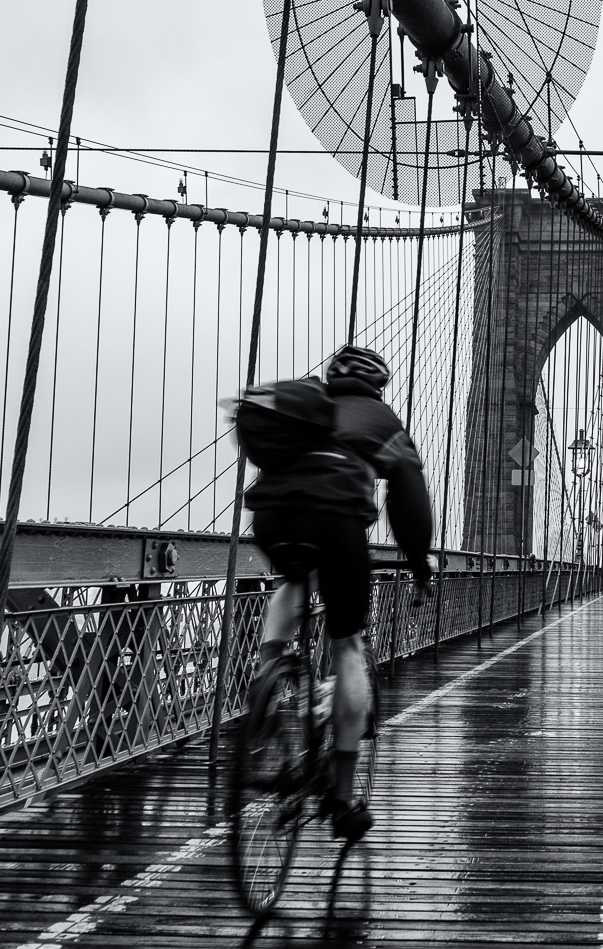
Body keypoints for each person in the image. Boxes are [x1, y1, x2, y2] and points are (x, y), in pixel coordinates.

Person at [243, 344, 433, 841]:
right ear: (378, 385)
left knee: (293, 578)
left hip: (272, 518)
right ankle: (344, 799)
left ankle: (266, 676)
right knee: (348, 645)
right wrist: (418, 565)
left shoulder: (306, 411)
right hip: (337, 524)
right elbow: (409, 500)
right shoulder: (382, 420)